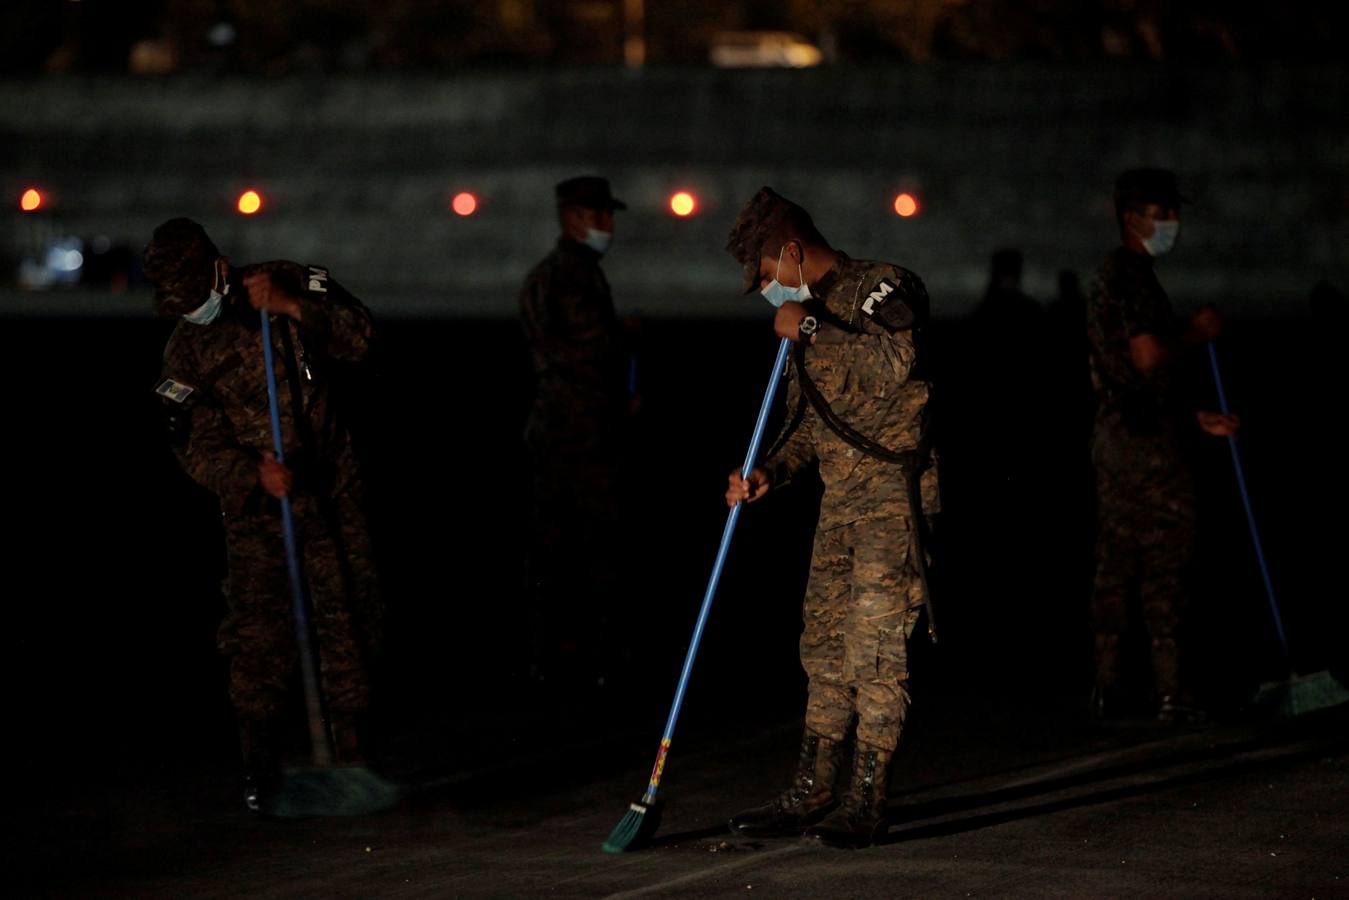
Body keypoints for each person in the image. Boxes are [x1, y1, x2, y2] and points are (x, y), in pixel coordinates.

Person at [722, 187, 939, 849]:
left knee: (874, 653)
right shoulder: (807, 315)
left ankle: (866, 799)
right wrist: (768, 471)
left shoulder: (883, 285)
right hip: (840, 506)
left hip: (891, 502)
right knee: (822, 650)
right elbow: (806, 427)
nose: (767, 291)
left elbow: (890, 363)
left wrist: (810, 327)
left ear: (790, 252)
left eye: (765, 276)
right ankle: (813, 787)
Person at [144, 218, 382, 811]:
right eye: (178, 304)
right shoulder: (184, 350)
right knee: (256, 636)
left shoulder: (290, 282)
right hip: (259, 508)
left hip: (331, 488)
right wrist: (250, 474)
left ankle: (350, 751)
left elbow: (361, 339)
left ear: (219, 268)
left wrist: (295, 307)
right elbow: (192, 443)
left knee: (348, 615)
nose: (190, 310)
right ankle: (259, 766)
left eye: (195, 297)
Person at [1085, 169, 1239, 723]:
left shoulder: (1114, 275)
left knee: (1117, 560)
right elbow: (1149, 358)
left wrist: (1194, 416)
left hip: (1118, 436)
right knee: (1167, 560)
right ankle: (1171, 692)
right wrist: (1199, 332)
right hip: (1147, 444)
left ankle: (1109, 687)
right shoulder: (1132, 275)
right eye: (1163, 212)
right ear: (1134, 218)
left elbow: (1129, 373)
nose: (1173, 222)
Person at [518, 176, 633, 691]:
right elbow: (581, 354)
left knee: (563, 550)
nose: (607, 225)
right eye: (598, 215)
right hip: (576, 433)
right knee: (581, 550)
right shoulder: (568, 276)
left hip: (569, 429)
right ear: (572, 217)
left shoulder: (565, 273)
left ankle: (561, 659)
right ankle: (580, 662)